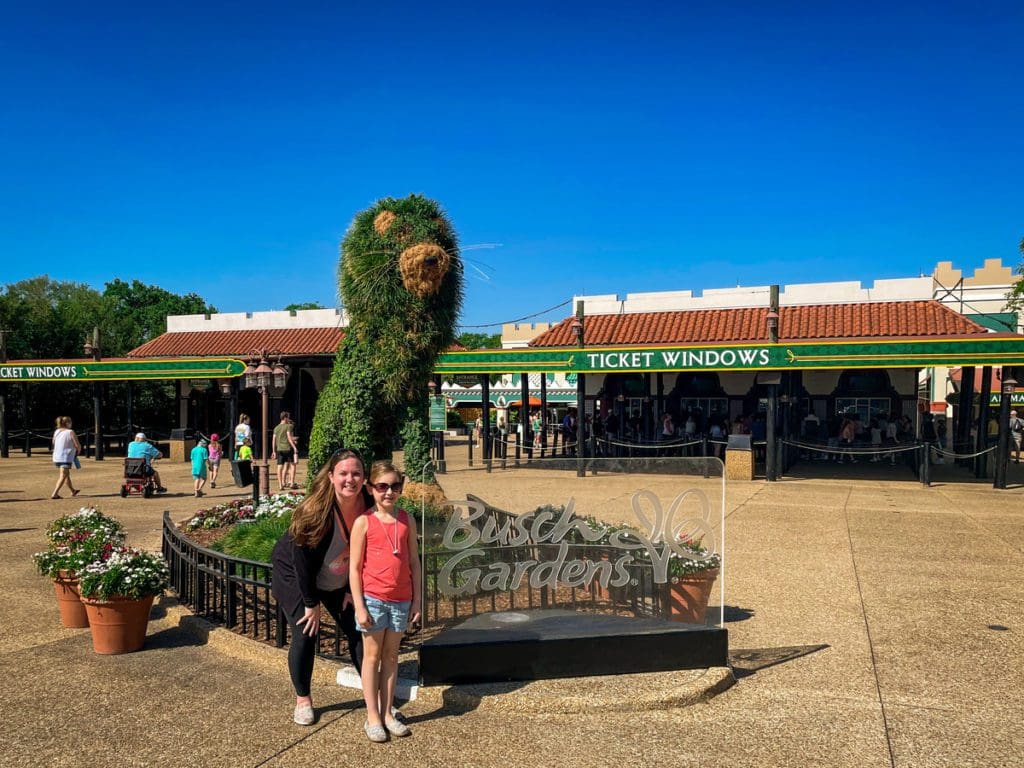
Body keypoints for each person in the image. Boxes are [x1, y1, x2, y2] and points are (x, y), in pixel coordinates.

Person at [270, 449, 369, 727]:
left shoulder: (369, 502)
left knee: (360, 628)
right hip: (297, 575)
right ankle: (303, 699)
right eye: (344, 473)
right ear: (331, 476)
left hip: (339, 574)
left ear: (364, 477)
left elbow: (368, 551)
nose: (350, 479)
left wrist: (353, 587)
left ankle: (373, 696)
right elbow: (301, 561)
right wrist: (310, 603)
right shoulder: (317, 510)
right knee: (306, 631)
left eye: (356, 473)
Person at [350, 461, 420, 743]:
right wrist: (359, 605)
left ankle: (388, 712)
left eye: (394, 486)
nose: (388, 492)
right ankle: (372, 716)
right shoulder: (364, 522)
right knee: (372, 657)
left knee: (392, 657)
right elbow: (354, 567)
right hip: (374, 599)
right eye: (382, 486)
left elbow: (414, 561)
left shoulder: (407, 520)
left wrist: (417, 601)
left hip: (401, 599)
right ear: (371, 489)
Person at [51, 416, 82, 500]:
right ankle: (55, 493)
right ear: (67, 423)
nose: (71, 424)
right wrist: (78, 451)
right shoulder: (70, 432)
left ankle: (73, 490)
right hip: (66, 457)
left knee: (66, 474)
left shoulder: (57, 431)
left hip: (57, 456)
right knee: (63, 475)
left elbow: (53, 442)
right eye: (70, 422)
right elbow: (77, 445)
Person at [273, 411, 300, 490]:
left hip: (279, 449)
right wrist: (294, 446)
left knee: (280, 466)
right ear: (285, 418)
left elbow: (273, 440)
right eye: (288, 417)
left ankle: (280, 484)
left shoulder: (276, 427)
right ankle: (291, 482)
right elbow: (289, 436)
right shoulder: (289, 426)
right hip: (288, 448)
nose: (289, 419)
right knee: (292, 465)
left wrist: (274, 451)